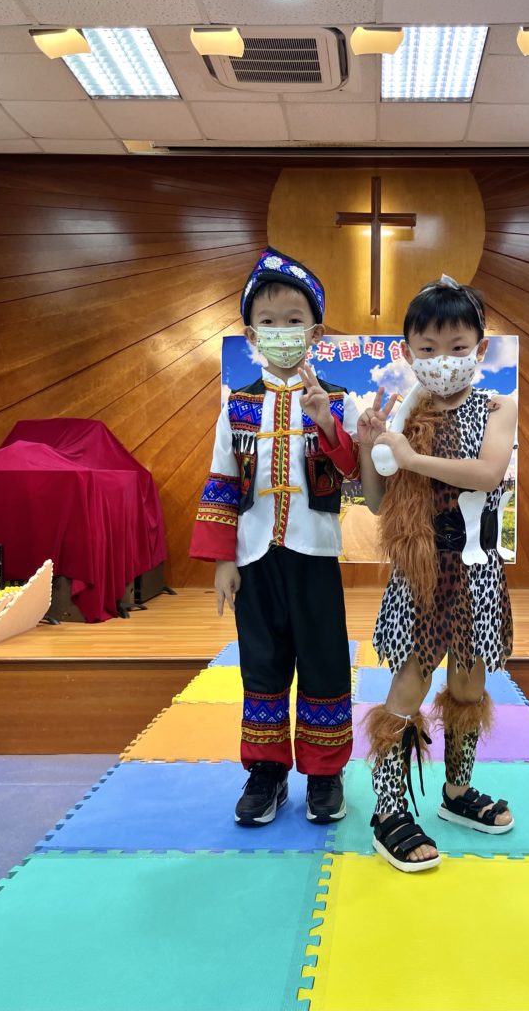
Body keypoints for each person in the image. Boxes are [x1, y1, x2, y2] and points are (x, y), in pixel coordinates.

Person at [190, 247, 359, 827]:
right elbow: (221, 480)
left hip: (315, 557)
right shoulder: (237, 405)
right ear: (251, 334)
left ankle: (324, 773)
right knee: (261, 662)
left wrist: (327, 422)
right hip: (254, 558)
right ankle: (266, 771)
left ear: (315, 332)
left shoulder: (337, 400)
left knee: (325, 662)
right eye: (269, 321)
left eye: (294, 320)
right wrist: (222, 560)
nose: (282, 330)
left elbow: (354, 472)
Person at [356, 275, 517, 872]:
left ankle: (456, 792)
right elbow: (378, 502)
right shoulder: (406, 413)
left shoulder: (498, 408)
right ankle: (387, 811)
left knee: (470, 685)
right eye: (428, 348)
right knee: (410, 685)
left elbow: (488, 473)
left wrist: (410, 456)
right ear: (408, 352)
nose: (442, 359)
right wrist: (370, 446)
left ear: (480, 348)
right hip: (422, 573)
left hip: (477, 570)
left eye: (457, 347)